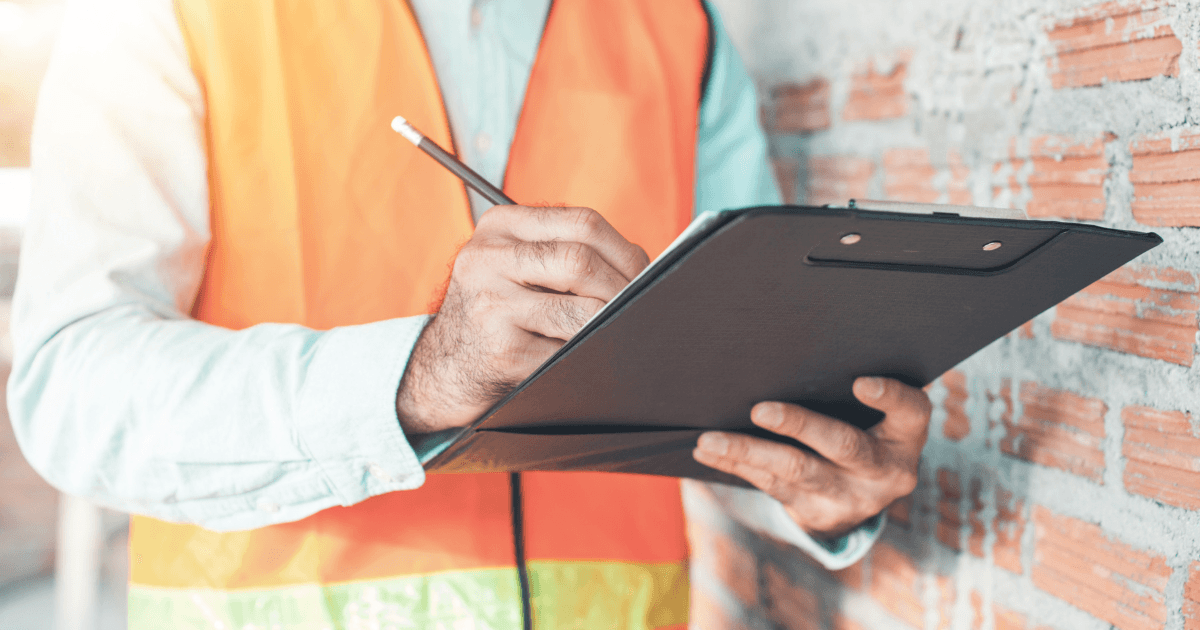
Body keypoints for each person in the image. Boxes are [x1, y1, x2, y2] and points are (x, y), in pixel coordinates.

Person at [10, 0, 930, 627]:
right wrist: (419, 377)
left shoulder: (680, 26)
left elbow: (732, 380)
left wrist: (817, 484)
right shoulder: (165, 14)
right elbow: (69, 390)